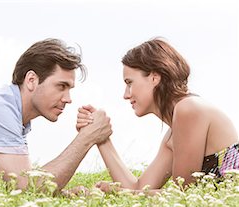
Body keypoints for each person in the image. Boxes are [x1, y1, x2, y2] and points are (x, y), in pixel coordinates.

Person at [0, 39, 112, 191]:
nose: (68, 99)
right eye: (61, 86)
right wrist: (87, 138)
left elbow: (20, 179)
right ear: (31, 80)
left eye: (69, 89)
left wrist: (63, 194)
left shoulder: (12, 112)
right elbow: (27, 189)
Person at [77, 38, 238, 194]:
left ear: (154, 77)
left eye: (129, 82)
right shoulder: (174, 133)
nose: (125, 95)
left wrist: (121, 193)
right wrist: (101, 137)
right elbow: (139, 187)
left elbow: (183, 194)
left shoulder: (188, 109)